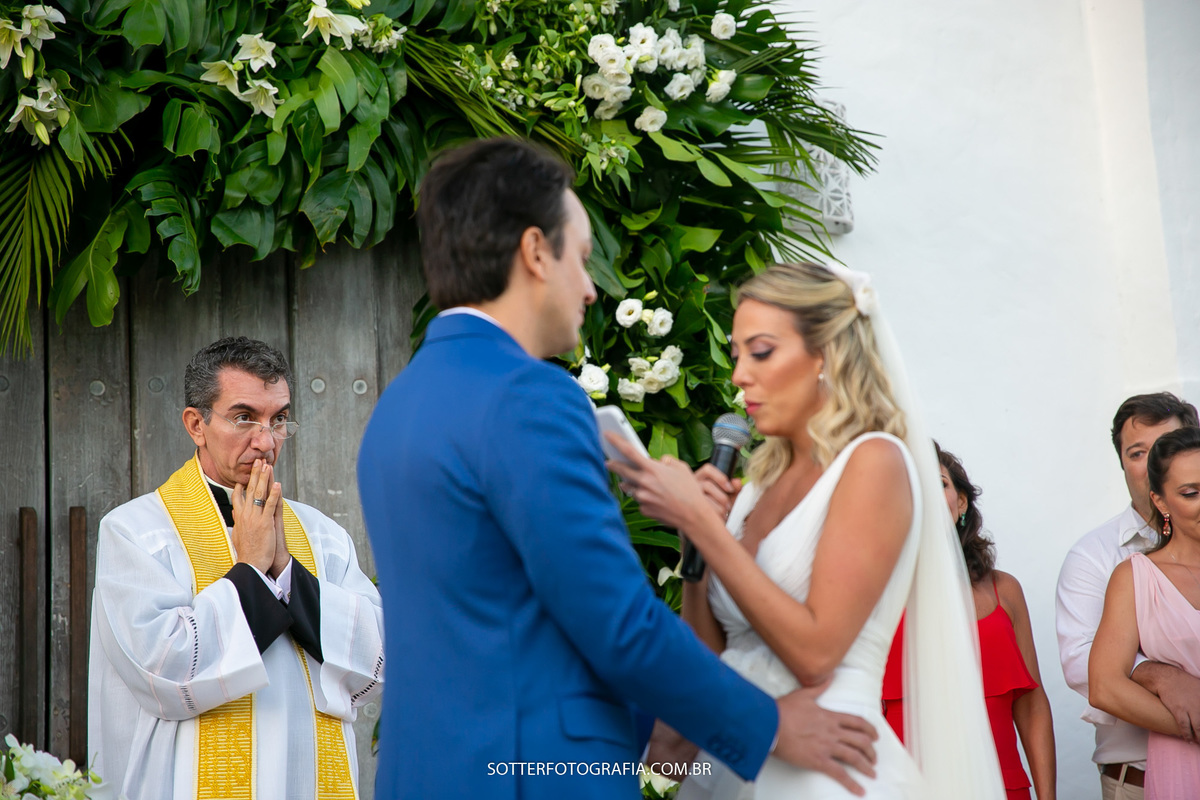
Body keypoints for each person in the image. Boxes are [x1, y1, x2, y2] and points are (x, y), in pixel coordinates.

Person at [357, 138, 878, 800]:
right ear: (535, 252)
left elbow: (502, 622)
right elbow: (616, 620)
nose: (590, 288)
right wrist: (767, 723)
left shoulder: (398, 406)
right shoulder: (528, 396)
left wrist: (663, 732)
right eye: (581, 258)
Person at [607, 262, 1005, 799]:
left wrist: (705, 525)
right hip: (740, 756)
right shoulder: (758, 483)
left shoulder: (875, 462)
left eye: (761, 352)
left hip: (826, 767)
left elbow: (816, 654)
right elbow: (711, 653)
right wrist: (694, 535)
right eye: (736, 354)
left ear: (824, 355)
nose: (739, 375)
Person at [88, 337, 385, 800]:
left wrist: (284, 569)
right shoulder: (137, 532)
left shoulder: (322, 535)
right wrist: (250, 570)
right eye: (244, 417)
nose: (266, 442)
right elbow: (163, 673)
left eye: (279, 419)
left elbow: (375, 664)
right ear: (197, 424)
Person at [881, 443, 1056, 799]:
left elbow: (1032, 705)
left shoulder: (1005, 590)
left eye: (939, 483)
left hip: (1002, 787)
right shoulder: (875, 592)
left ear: (961, 502)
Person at [1056, 393, 1200, 798]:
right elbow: (1082, 663)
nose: (1155, 459)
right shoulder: (1096, 557)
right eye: (1138, 452)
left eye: (1167, 444)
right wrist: (1160, 674)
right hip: (1141, 776)